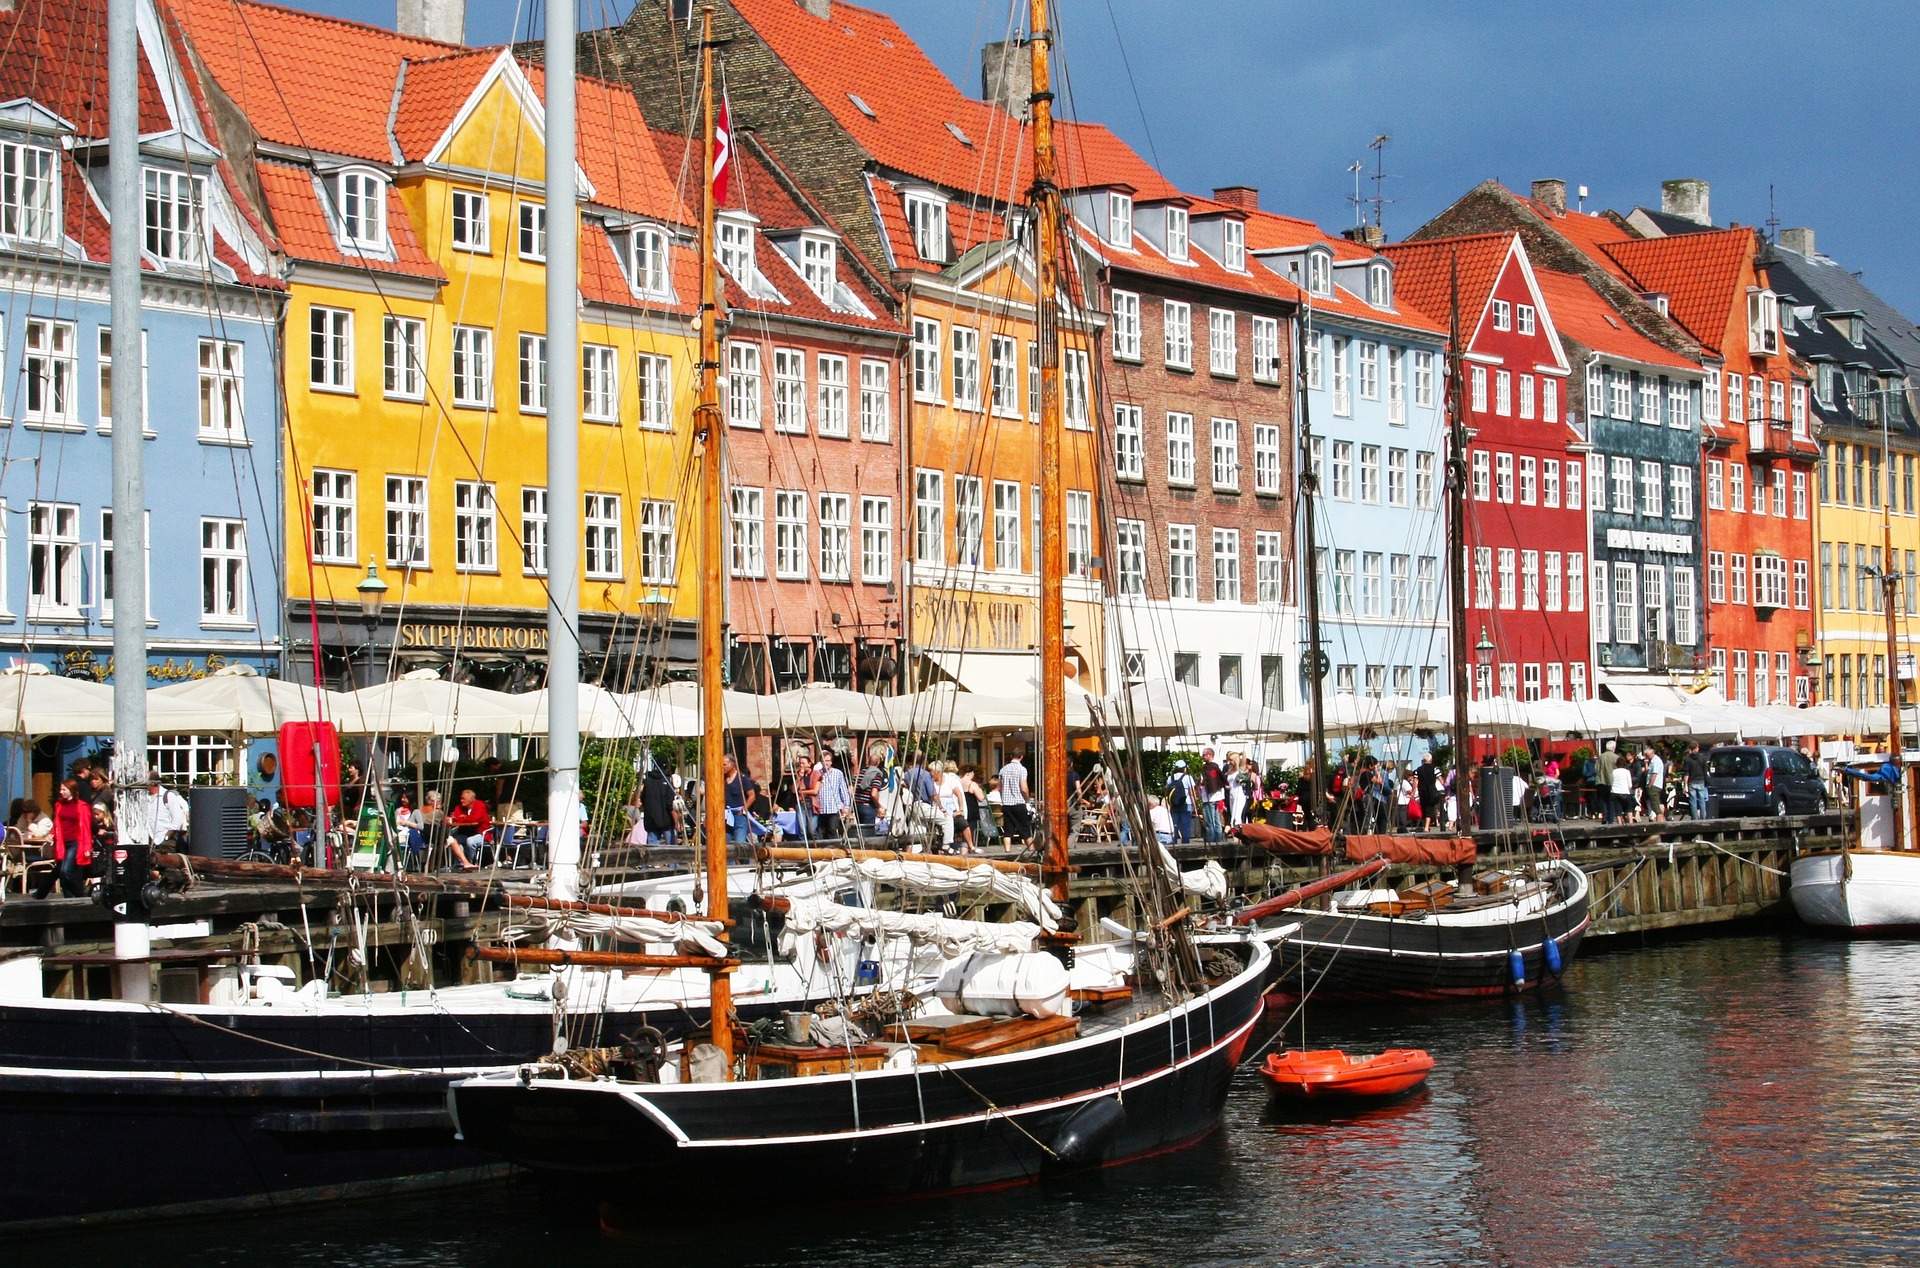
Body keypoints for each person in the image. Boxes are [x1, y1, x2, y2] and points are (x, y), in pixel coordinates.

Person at [32, 780, 93, 899]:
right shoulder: (59, 804)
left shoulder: (82, 806)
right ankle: (69, 896)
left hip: (76, 841)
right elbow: (57, 823)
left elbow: (86, 827)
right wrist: (52, 834)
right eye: (61, 789)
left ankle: (80, 894)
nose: (61, 792)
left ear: (72, 791)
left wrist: (87, 847)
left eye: (64, 790)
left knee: (66, 870)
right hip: (62, 842)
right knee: (60, 869)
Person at [140, 771, 191, 847]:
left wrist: (168, 835)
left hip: (165, 840)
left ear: (153, 782)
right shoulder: (143, 797)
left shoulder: (168, 796)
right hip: (149, 840)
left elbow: (178, 818)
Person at [445, 787, 491, 870]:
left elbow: (475, 819)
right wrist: (462, 817)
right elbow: (455, 816)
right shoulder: (460, 807)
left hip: (481, 833)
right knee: (453, 839)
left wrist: (463, 817)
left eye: (463, 799)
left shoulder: (480, 805)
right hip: (466, 832)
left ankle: (470, 862)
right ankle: (461, 863)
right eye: (461, 798)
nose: (461, 800)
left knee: (470, 841)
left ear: (471, 799)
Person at [720, 755, 758, 846]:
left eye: (724, 764)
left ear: (732, 765)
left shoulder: (742, 778)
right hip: (725, 816)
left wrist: (743, 810)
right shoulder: (721, 779)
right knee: (726, 846)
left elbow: (752, 795)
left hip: (739, 816)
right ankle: (730, 861)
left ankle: (744, 860)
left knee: (740, 845)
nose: (722, 767)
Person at [997, 750, 1030, 849]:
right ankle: (1031, 849)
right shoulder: (1022, 769)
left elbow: (1000, 786)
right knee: (1025, 829)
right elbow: (1024, 788)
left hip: (1006, 803)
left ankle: (1007, 850)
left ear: (1011, 756)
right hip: (1018, 802)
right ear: (1021, 757)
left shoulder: (1003, 769)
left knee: (1008, 830)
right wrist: (1027, 799)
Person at [814, 752, 851, 842]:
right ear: (821, 762)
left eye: (828, 761)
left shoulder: (838, 773)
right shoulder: (816, 774)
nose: (826, 763)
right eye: (823, 761)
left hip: (834, 808)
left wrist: (846, 806)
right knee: (820, 831)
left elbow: (843, 790)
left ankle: (834, 850)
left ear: (831, 762)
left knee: (832, 830)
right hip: (820, 808)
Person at [642, 762, 680, 845]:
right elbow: (671, 804)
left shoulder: (648, 782)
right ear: (667, 768)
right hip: (666, 822)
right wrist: (677, 821)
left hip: (651, 821)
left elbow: (643, 800)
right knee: (672, 852)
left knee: (652, 853)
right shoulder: (667, 780)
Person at [854, 752, 887, 837]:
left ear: (868, 761)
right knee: (868, 834)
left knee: (859, 832)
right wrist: (879, 806)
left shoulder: (859, 773)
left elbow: (851, 788)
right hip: (867, 807)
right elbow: (874, 794)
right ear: (878, 762)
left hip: (857, 806)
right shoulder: (876, 774)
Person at [1165, 759, 1197, 844]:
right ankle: (1185, 844)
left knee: (1174, 825)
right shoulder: (1188, 777)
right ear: (1184, 768)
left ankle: (1174, 843)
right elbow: (1192, 793)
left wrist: (1168, 805)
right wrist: (1195, 806)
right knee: (1186, 826)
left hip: (1174, 805)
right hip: (1187, 804)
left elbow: (1167, 793)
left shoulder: (1170, 778)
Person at [1199, 748, 1226, 843]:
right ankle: (1219, 840)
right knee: (1216, 820)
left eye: (1204, 755)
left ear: (1209, 755)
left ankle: (1212, 841)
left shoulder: (1211, 767)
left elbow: (1215, 779)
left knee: (1210, 822)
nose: (1202, 757)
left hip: (1210, 797)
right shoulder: (1211, 767)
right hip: (1211, 797)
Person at [1684, 741, 1711, 820]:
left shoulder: (1687, 759)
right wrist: (1706, 781)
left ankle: (1695, 819)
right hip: (1701, 781)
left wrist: (1685, 785)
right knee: (1702, 801)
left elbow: (1686, 773)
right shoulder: (1703, 758)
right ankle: (1703, 818)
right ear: (1697, 747)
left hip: (1692, 782)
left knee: (1693, 802)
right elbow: (1705, 770)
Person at [1596, 740, 1621, 824]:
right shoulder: (1616, 757)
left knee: (1603, 800)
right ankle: (1610, 819)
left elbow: (1596, 769)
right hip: (1612, 782)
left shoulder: (1600, 756)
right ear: (1613, 748)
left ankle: (1604, 817)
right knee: (1611, 801)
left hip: (1601, 781)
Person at [1645, 747, 1667, 821]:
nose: (1646, 757)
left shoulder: (1656, 761)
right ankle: (1660, 822)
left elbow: (1654, 774)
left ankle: (1659, 823)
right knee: (1656, 805)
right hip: (1655, 785)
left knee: (1656, 807)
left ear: (1652, 753)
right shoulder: (1652, 761)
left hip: (1654, 785)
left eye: (1647, 755)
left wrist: (1650, 785)